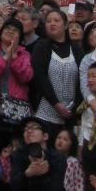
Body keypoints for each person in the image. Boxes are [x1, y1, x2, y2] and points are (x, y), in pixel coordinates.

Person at [0, 118, 77, 191]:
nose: (29, 131)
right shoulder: (18, 154)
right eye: (26, 129)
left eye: (34, 128)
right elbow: (14, 186)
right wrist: (27, 174)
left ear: (45, 136)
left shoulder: (57, 158)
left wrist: (42, 175)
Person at [0, 17, 34, 150]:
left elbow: (26, 77)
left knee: (16, 150)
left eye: (15, 30)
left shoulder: (24, 55)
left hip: (17, 110)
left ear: (20, 36)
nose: (10, 31)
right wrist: (4, 58)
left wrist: (14, 58)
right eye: (7, 28)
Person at [31, 8, 81, 137]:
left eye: (56, 20)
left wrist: (74, 107)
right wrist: (56, 104)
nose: (52, 23)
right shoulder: (41, 47)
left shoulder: (76, 49)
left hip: (72, 112)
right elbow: (40, 77)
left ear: (65, 25)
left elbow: (82, 79)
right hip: (46, 111)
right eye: (48, 21)